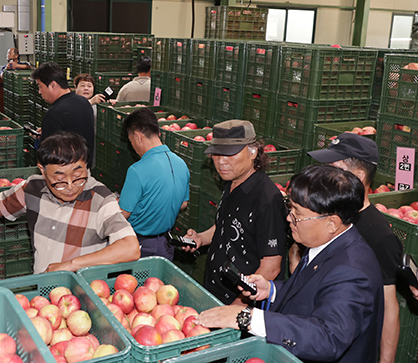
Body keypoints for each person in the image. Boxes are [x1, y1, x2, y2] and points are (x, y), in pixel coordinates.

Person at [195, 165, 384, 363]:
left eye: (298, 214)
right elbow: (312, 292)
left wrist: (250, 318)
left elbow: (328, 338)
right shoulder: (324, 243)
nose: (288, 218)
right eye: (290, 208)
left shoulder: (351, 271)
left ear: (332, 223)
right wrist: (271, 290)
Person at [302, 132, 403, 363]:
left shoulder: (379, 236)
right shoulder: (326, 215)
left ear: (357, 177)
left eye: (333, 169)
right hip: (314, 333)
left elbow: (389, 306)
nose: (324, 175)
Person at [0, 131, 140, 274]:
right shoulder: (32, 189)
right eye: (60, 179)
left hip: (81, 295)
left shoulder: (100, 199)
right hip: (42, 290)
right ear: (42, 170)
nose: (70, 186)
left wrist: (70, 265)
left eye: (78, 176)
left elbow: (130, 248)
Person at [182, 120, 288, 305]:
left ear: (253, 151)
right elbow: (226, 224)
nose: (221, 161)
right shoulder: (232, 181)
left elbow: (271, 266)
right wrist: (201, 238)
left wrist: (237, 306)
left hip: (240, 302)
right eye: (216, 153)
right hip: (216, 291)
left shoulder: (267, 199)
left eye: (229, 154)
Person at [119, 107, 190, 260]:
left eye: (131, 141)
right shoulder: (181, 163)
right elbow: (183, 203)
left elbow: (123, 213)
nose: (133, 146)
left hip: (138, 244)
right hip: (165, 245)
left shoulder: (137, 170)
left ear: (138, 137)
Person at [32, 62, 95, 168]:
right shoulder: (84, 103)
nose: (39, 91)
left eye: (40, 86)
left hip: (63, 176)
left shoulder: (54, 114)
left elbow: (47, 156)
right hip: (83, 171)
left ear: (52, 85)